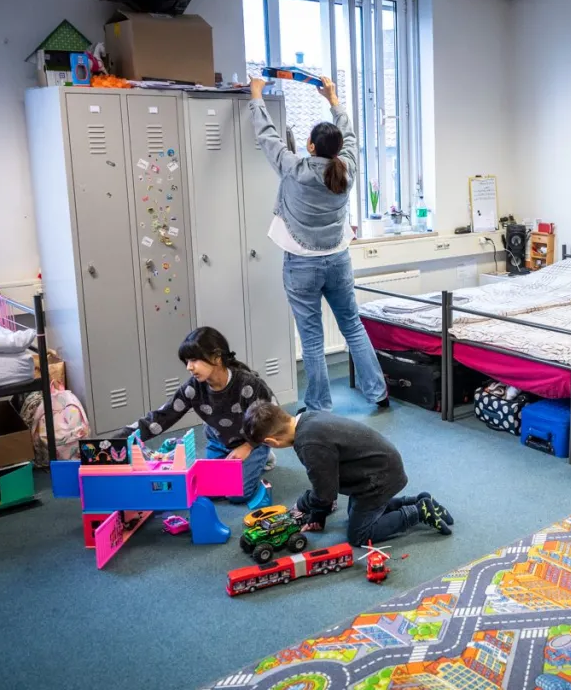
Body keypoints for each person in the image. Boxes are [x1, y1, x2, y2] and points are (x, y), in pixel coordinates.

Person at [248, 75, 388, 412]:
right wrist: (334, 98)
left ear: (310, 146)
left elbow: (267, 137)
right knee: (352, 325)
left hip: (302, 264)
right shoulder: (348, 169)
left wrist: (256, 95)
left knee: (312, 338)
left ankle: (319, 407)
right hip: (338, 259)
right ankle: (378, 392)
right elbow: (350, 135)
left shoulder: (295, 168)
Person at [242, 400, 454, 546]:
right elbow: (323, 485)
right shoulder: (306, 418)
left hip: (378, 479)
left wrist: (304, 504)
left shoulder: (310, 445)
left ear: (272, 442)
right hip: (377, 470)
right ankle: (417, 500)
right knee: (356, 515)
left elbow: (325, 493)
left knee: (359, 535)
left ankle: (417, 512)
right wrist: (318, 514)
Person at [116, 327, 275, 502]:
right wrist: (117, 441)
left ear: (216, 357)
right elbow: (160, 417)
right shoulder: (193, 388)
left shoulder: (248, 384)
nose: (189, 367)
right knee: (207, 490)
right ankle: (244, 463)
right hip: (219, 443)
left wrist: (249, 446)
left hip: (252, 440)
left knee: (237, 494)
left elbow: (269, 419)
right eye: (186, 362)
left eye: (194, 360)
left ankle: (263, 455)